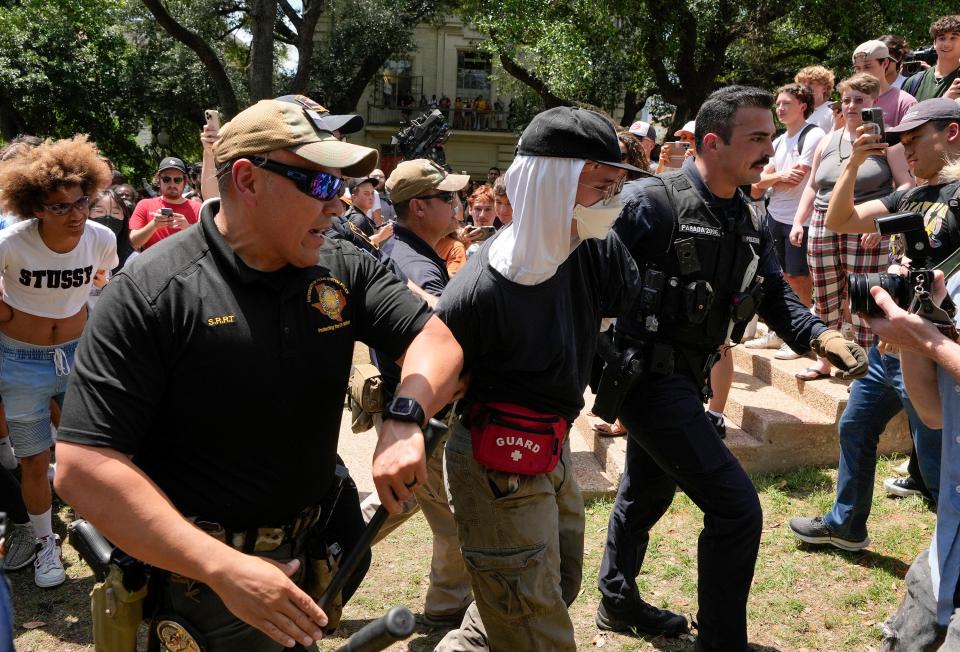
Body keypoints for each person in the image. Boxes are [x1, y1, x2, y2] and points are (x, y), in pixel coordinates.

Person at [53, 96, 464, 651]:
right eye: (319, 184)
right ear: (246, 179)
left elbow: (434, 339)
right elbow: (83, 467)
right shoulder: (153, 291)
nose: (338, 204)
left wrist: (406, 414)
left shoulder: (339, 262)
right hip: (199, 582)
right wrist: (222, 567)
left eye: (342, 185)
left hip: (316, 552)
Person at [596, 86, 868, 652]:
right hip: (644, 378)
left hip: (686, 377)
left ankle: (616, 602)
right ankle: (721, 641)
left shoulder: (747, 215)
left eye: (772, 135)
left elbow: (772, 293)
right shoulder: (652, 203)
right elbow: (587, 280)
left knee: (645, 492)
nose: (770, 152)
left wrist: (822, 335)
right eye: (758, 138)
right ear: (713, 142)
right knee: (737, 509)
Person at [434, 106, 643, 651]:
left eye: (618, 185)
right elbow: (434, 379)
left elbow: (625, 294)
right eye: (602, 185)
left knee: (555, 584)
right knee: (533, 621)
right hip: (495, 459)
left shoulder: (588, 247)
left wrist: (597, 217)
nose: (613, 200)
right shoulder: (480, 289)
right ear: (552, 185)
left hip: (548, 447)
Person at [789, 98, 960, 552]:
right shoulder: (912, 195)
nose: (904, 150)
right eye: (899, 141)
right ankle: (847, 525)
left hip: (936, 347)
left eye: (913, 140)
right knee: (856, 426)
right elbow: (841, 218)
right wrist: (858, 161)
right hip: (894, 345)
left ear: (952, 134)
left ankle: (949, 566)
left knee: (940, 463)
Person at [0, 136, 118, 588]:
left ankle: (108, 526)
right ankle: (46, 543)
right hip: (20, 361)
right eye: (59, 207)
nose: (75, 215)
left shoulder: (101, 237)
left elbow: (106, 282)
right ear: (35, 207)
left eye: (81, 202)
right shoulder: (12, 243)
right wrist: (8, 314)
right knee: (33, 461)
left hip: (78, 357)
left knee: (93, 451)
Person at [361, 159, 474, 629]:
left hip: (413, 405)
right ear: (419, 207)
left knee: (399, 501)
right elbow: (441, 330)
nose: (458, 205)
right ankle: (447, 607)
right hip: (425, 409)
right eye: (448, 198)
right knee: (449, 516)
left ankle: (318, 556)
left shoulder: (408, 251)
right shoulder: (417, 264)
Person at [789, 73, 912, 381]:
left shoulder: (886, 143)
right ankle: (826, 361)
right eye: (846, 100)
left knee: (864, 296)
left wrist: (882, 224)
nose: (852, 106)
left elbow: (906, 186)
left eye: (859, 100)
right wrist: (798, 221)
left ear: (874, 102)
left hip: (866, 223)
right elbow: (813, 186)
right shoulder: (828, 140)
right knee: (825, 294)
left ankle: (864, 369)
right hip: (822, 220)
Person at [864, 258, 960, 650]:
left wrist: (931, 342)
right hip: (948, 542)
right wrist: (911, 336)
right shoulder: (953, 282)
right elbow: (934, 414)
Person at [747, 83, 825, 358]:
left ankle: (799, 336)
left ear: (803, 105)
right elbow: (756, 184)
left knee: (799, 278)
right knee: (775, 276)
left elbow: (798, 177)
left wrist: (772, 178)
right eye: (778, 104)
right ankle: (776, 332)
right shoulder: (778, 141)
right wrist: (778, 177)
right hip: (774, 216)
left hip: (799, 220)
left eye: (786, 103)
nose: (780, 109)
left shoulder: (814, 135)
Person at [128, 157, 201, 250]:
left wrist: (188, 228)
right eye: (166, 179)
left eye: (177, 180)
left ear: (185, 181)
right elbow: (133, 243)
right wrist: (154, 224)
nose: (172, 184)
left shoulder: (198, 208)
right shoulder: (144, 205)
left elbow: (207, 244)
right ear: (159, 179)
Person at [852, 40, 918, 127]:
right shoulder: (851, 102)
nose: (862, 73)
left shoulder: (905, 103)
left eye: (867, 66)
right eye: (857, 68)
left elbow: (915, 139)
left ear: (885, 63)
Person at [903, 15, 960, 101]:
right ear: (934, 43)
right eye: (942, 38)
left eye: (953, 38)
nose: (947, 44)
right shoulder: (913, 82)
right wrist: (946, 99)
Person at [796, 65, 837, 133]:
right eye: (802, 83)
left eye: (811, 83)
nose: (805, 86)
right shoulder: (798, 112)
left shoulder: (834, 109)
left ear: (824, 88)